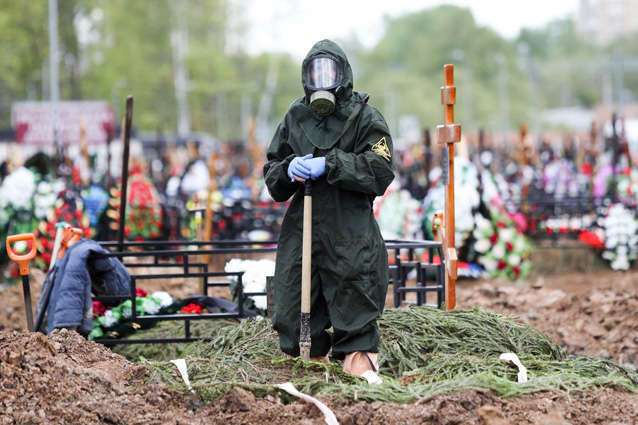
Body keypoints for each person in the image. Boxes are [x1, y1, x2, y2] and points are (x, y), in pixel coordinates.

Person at [263, 39, 394, 383]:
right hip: (303, 225)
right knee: (293, 297)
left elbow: (380, 170)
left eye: (329, 71)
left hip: (348, 225)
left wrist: (332, 164)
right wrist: (289, 168)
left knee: (354, 292)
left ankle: (358, 364)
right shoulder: (295, 116)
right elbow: (273, 170)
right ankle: (312, 364)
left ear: (343, 74)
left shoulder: (365, 117)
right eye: (315, 72)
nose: (322, 79)